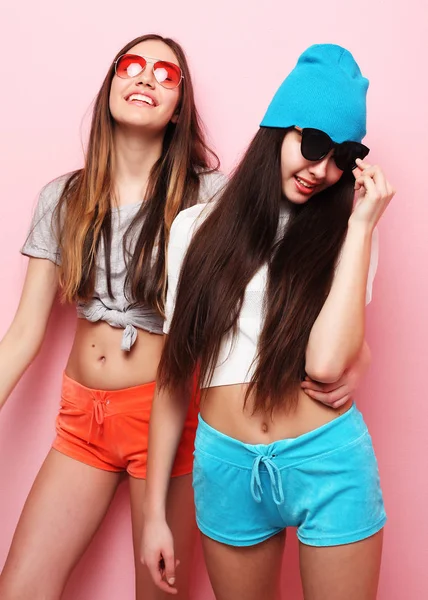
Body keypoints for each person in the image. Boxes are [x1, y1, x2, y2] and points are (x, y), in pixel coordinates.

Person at [142, 44, 394, 599]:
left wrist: (362, 227)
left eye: (342, 157)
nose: (322, 171)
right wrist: (155, 512)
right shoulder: (194, 230)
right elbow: (172, 376)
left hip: (326, 460)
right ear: (277, 127)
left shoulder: (350, 238)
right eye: (312, 145)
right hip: (225, 466)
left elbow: (328, 363)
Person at [0, 33, 226, 600]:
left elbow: (279, 277)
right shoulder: (63, 197)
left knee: (160, 593)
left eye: (166, 74)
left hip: (166, 421)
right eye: (132, 65)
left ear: (180, 110)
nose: (146, 77)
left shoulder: (207, 198)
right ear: (110, 89)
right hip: (82, 419)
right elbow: (24, 333)